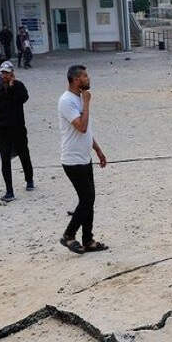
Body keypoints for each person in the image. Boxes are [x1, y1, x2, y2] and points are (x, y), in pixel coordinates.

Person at [59, 64, 109, 254]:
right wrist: (87, 103)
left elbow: (87, 133)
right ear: (75, 80)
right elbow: (81, 126)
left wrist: (98, 150)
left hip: (84, 157)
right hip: (72, 160)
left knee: (89, 199)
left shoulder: (79, 98)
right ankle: (68, 235)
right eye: (85, 76)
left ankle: (88, 240)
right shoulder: (67, 101)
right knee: (87, 199)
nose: (88, 79)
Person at [0, 62, 34, 202]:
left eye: (6, 73)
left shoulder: (19, 86)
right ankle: (9, 191)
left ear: (12, 73)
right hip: (3, 130)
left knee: (24, 154)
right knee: (5, 159)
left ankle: (29, 179)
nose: (4, 75)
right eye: (2, 72)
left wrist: (12, 87)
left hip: (18, 128)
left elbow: (23, 99)